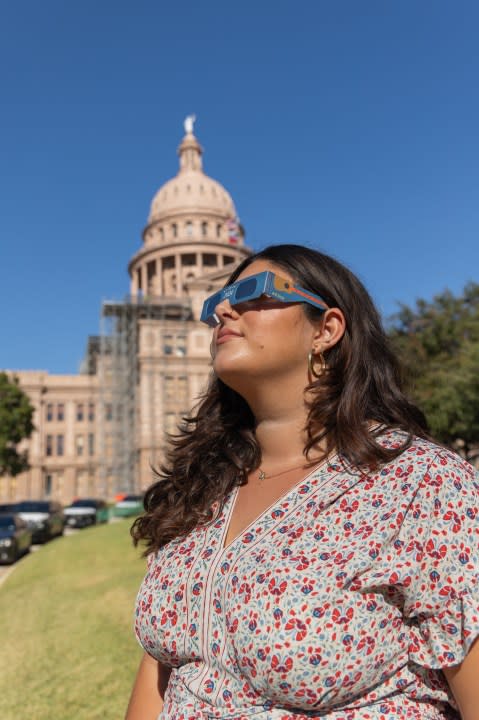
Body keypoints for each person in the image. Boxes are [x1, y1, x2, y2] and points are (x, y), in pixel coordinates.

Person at [125, 244, 479, 720]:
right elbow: (160, 668)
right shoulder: (199, 489)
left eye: (253, 292)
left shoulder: (420, 483)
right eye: (216, 305)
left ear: (327, 329)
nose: (223, 310)